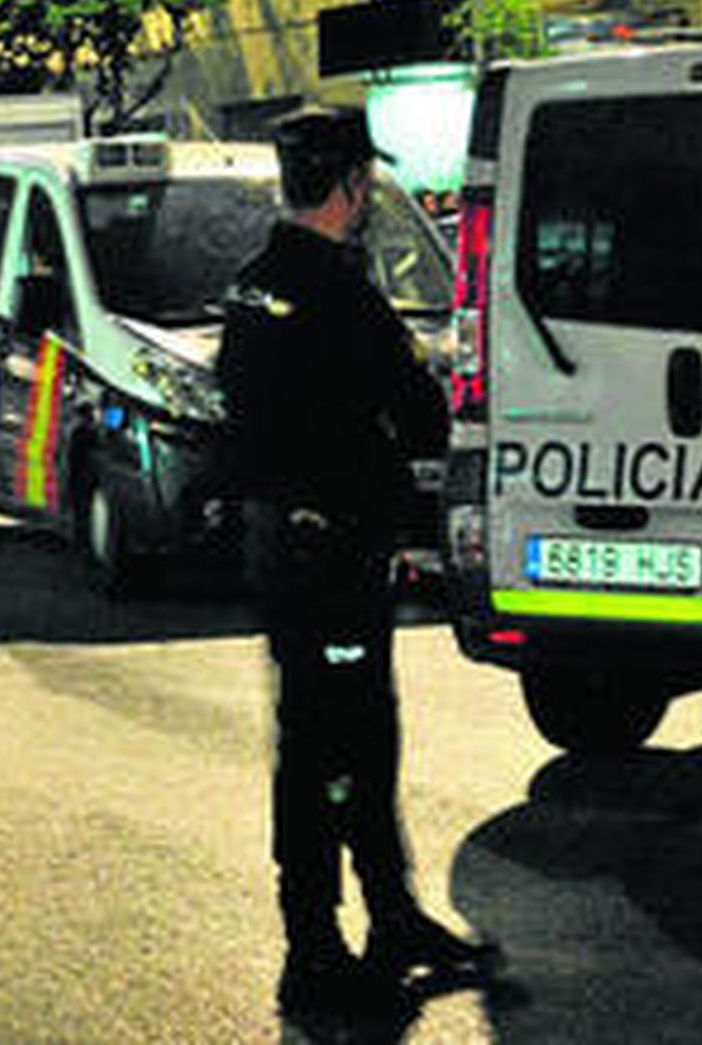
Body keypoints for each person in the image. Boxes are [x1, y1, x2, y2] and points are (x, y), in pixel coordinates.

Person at [216, 106, 500, 1021]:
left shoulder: (253, 286)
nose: (369, 194)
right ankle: (322, 945)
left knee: (326, 739)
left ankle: (378, 916)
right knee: (341, 747)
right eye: (365, 181)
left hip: (282, 545)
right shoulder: (340, 292)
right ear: (347, 187)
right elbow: (420, 410)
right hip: (334, 550)